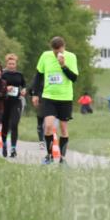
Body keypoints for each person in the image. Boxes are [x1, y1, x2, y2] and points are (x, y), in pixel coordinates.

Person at [33, 36, 79, 164]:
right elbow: (38, 75)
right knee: (48, 126)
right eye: (55, 51)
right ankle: (49, 155)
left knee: (63, 129)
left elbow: (74, 78)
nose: (57, 53)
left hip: (65, 97)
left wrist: (63, 65)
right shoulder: (45, 56)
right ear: (51, 48)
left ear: (64, 47)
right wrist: (35, 93)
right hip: (49, 97)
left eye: (59, 50)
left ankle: (62, 158)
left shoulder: (71, 57)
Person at [0, 54, 26, 158]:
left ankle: (13, 148)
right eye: (9, 64)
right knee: (5, 126)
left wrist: (24, 89)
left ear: (16, 64)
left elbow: (24, 84)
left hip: (16, 102)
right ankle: (4, 145)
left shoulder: (19, 74)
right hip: (5, 103)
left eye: (13, 64)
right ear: (7, 64)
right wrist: (6, 88)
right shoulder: (2, 74)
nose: (11, 65)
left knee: (14, 124)